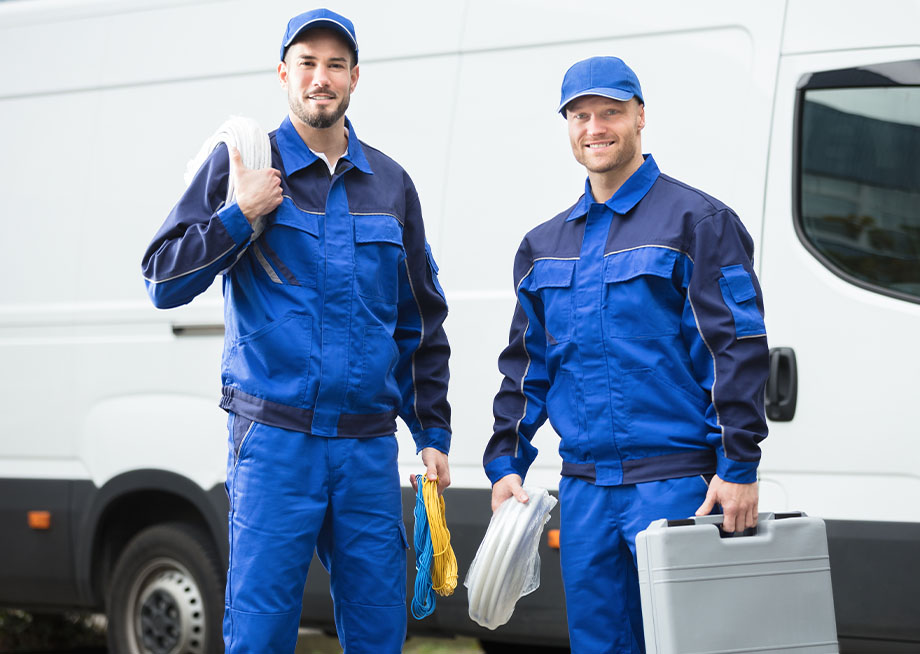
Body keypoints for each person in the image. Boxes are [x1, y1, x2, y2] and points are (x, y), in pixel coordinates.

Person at [141, 8, 451, 653]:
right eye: (307, 63)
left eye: (335, 65)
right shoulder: (245, 164)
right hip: (274, 442)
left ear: (355, 78)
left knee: (378, 632)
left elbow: (417, 319)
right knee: (260, 633)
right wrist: (238, 214)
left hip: (366, 448)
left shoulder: (391, 185)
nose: (321, 78)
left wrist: (432, 433)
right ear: (283, 73)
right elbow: (163, 279)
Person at [484, 56, 769, 654]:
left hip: (674, 486)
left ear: (640, 116)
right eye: (580, 115)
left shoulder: (698, 221)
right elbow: (526, 367)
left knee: (690, 643)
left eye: (610, 112)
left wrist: (738, 465)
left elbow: (733, 352)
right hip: (585, 492)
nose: (595, 127)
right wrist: (507, 462)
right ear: (567, 126)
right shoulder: (544, 246)